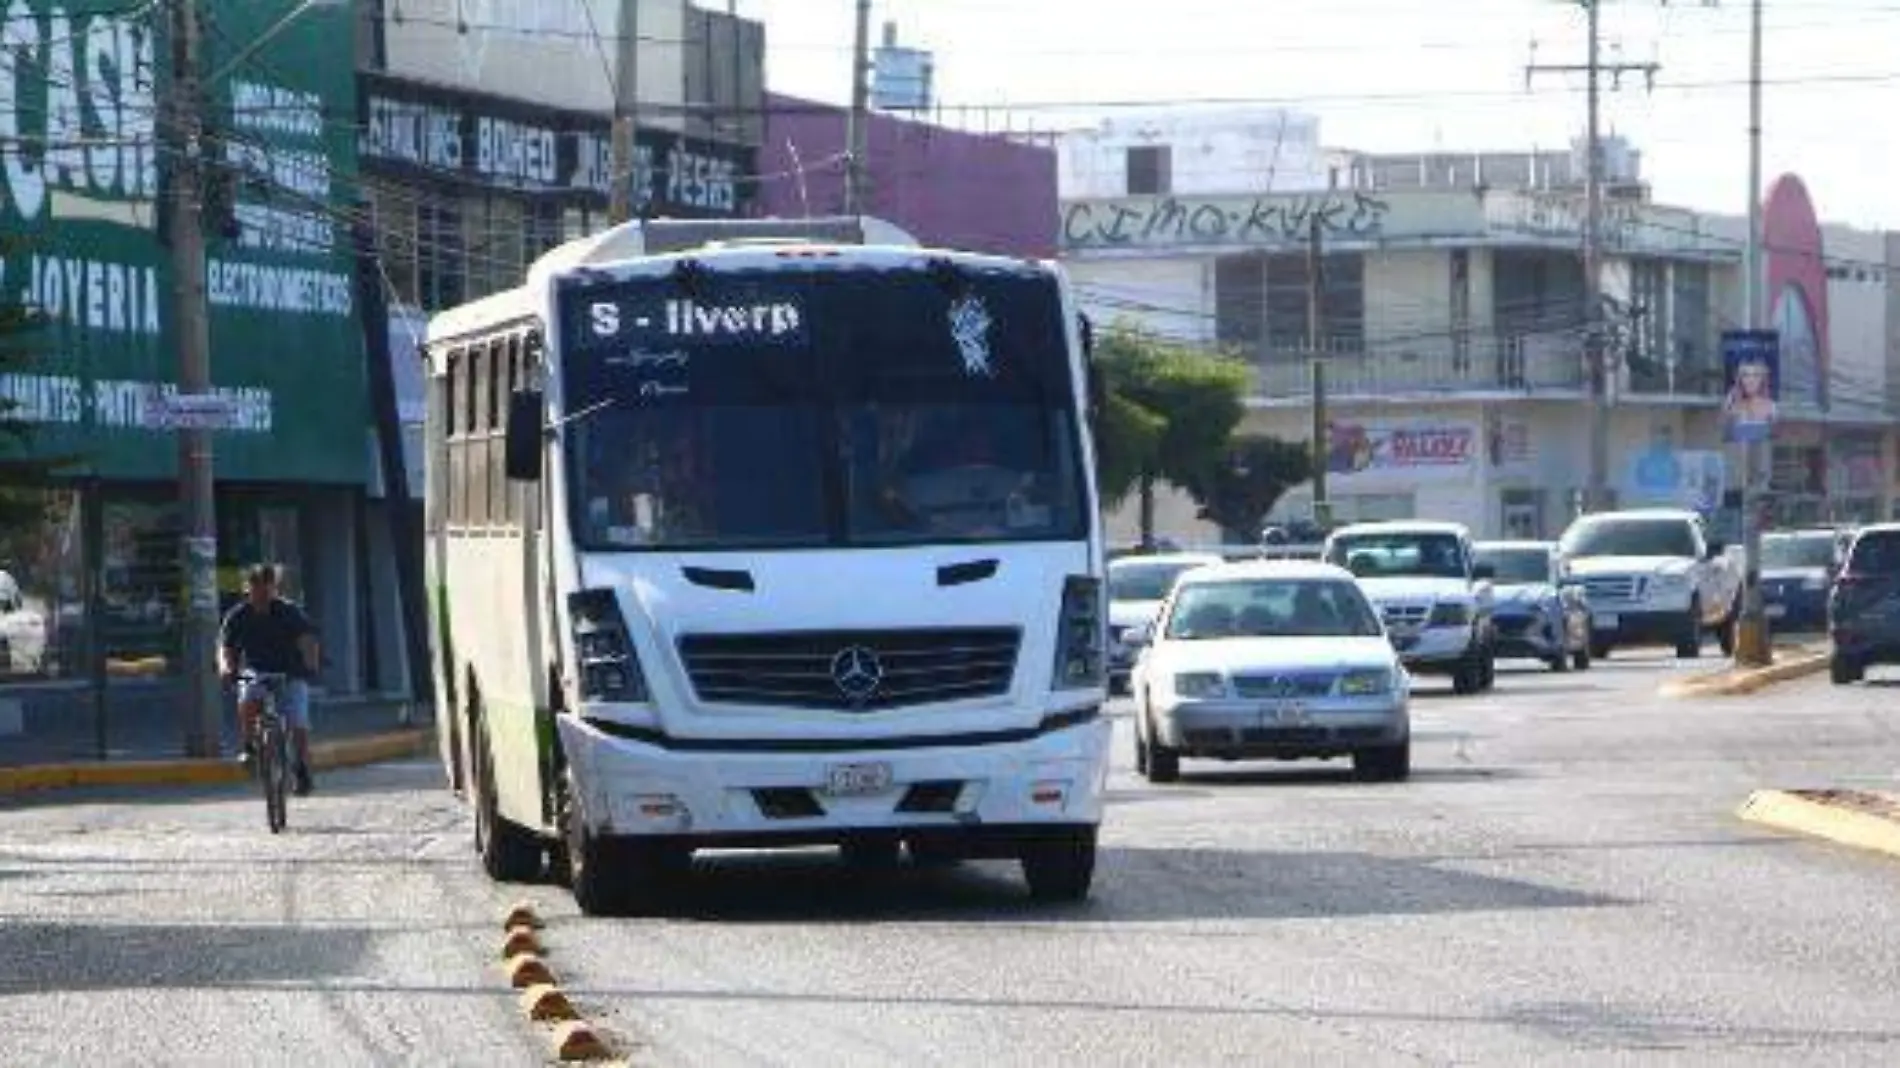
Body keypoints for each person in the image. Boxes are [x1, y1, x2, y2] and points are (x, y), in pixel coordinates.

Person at [220, 564, 321, 796]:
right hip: (256, 671)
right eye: (256, 590)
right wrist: (227, 668)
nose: (262, 597)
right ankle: (248, 746)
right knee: (246, 697)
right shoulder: (237, 615)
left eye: (267, 590)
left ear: (274, 589)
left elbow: (307, 638)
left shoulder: (289, 611)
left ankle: (302, 769)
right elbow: (225, 647)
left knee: (298, 722)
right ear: (248, 589)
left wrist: (310, 664)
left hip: (290, 673)